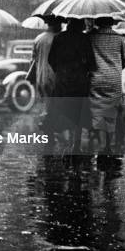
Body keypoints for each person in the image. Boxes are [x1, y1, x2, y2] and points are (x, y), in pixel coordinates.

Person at [48, 18, 96, 151]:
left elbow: (51, 59)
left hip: (63, 80)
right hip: (80, 81)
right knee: (79, 112)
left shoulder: (59, 38)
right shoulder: (85, 39)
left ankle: (66, 139)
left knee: (63, 109)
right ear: (81, 24)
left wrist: (61, 71)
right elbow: (91, 62)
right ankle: (76, 143)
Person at [88, 17, 125, 154]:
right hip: (114, 80)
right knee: (111, 113)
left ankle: (101, 142)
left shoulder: (91, 37)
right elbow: (124, 61)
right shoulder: (119, 38)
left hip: (96, 79)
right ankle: (109, 145)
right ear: (112, 22)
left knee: (98, 112)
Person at [27, 16, 61, 119]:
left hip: (41, 76)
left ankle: (47, 127)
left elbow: (33, 60)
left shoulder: (39, 38)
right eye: (59, 23)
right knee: (56, 107)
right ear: (56, 24)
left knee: (45, 105)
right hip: (55, 77)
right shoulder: (59, 38)